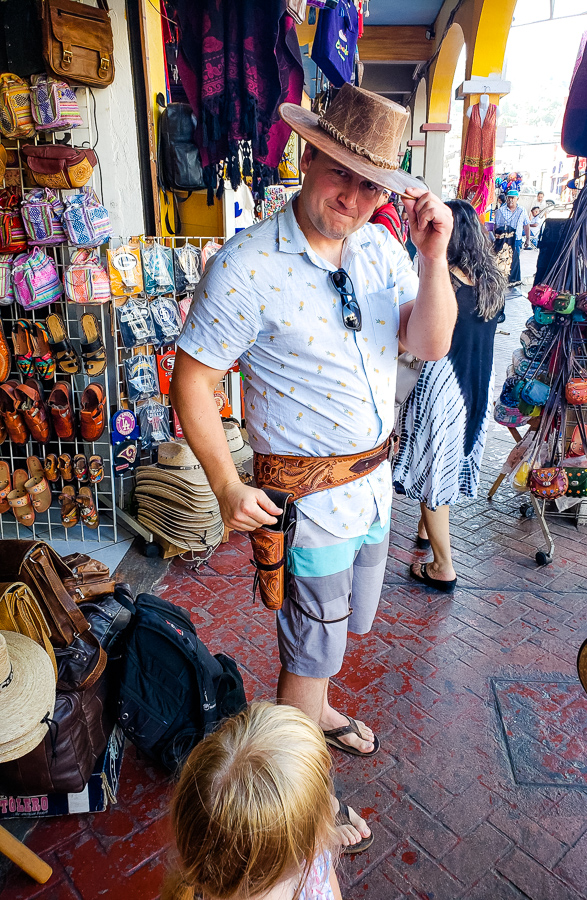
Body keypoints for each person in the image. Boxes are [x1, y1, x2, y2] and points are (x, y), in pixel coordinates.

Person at [170, 84, 455, 842]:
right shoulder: (247, 265)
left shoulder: (384, 248)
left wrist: (434, 259)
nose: (354, 197)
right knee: (308, 647)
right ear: (308, 153)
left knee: (336, 635)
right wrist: (226, 485)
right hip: (308, 505)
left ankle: (318, 708)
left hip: (371, 492)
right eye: (341, 172)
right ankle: (304, 804)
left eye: (372, 183)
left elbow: (426, 344)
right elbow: (192, 380)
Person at [393, 199, 505, 592]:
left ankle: (443, 566)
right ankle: (426, 533)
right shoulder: (492, 282)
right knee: (447, 462)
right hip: (476, 386)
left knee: (432, 469)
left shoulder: (444, 282)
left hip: (442, 387)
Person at [161, 702, 344, 900]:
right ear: (315, 840)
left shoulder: (314, 859)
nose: (333, 804)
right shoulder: (314, 866)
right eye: (325, 798)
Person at [494, 188, 528, 285]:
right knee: (502, 259)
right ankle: (502, 280)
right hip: (503, 239)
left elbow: (526, 225)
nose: (510, 200)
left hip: (516, 239)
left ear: (517, 199)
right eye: (509, 198)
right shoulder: (500, 211)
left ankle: (514, 280)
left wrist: (528, 239)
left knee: (515, 259)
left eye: (513, 198)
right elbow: (496, 226)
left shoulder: (522, 210)